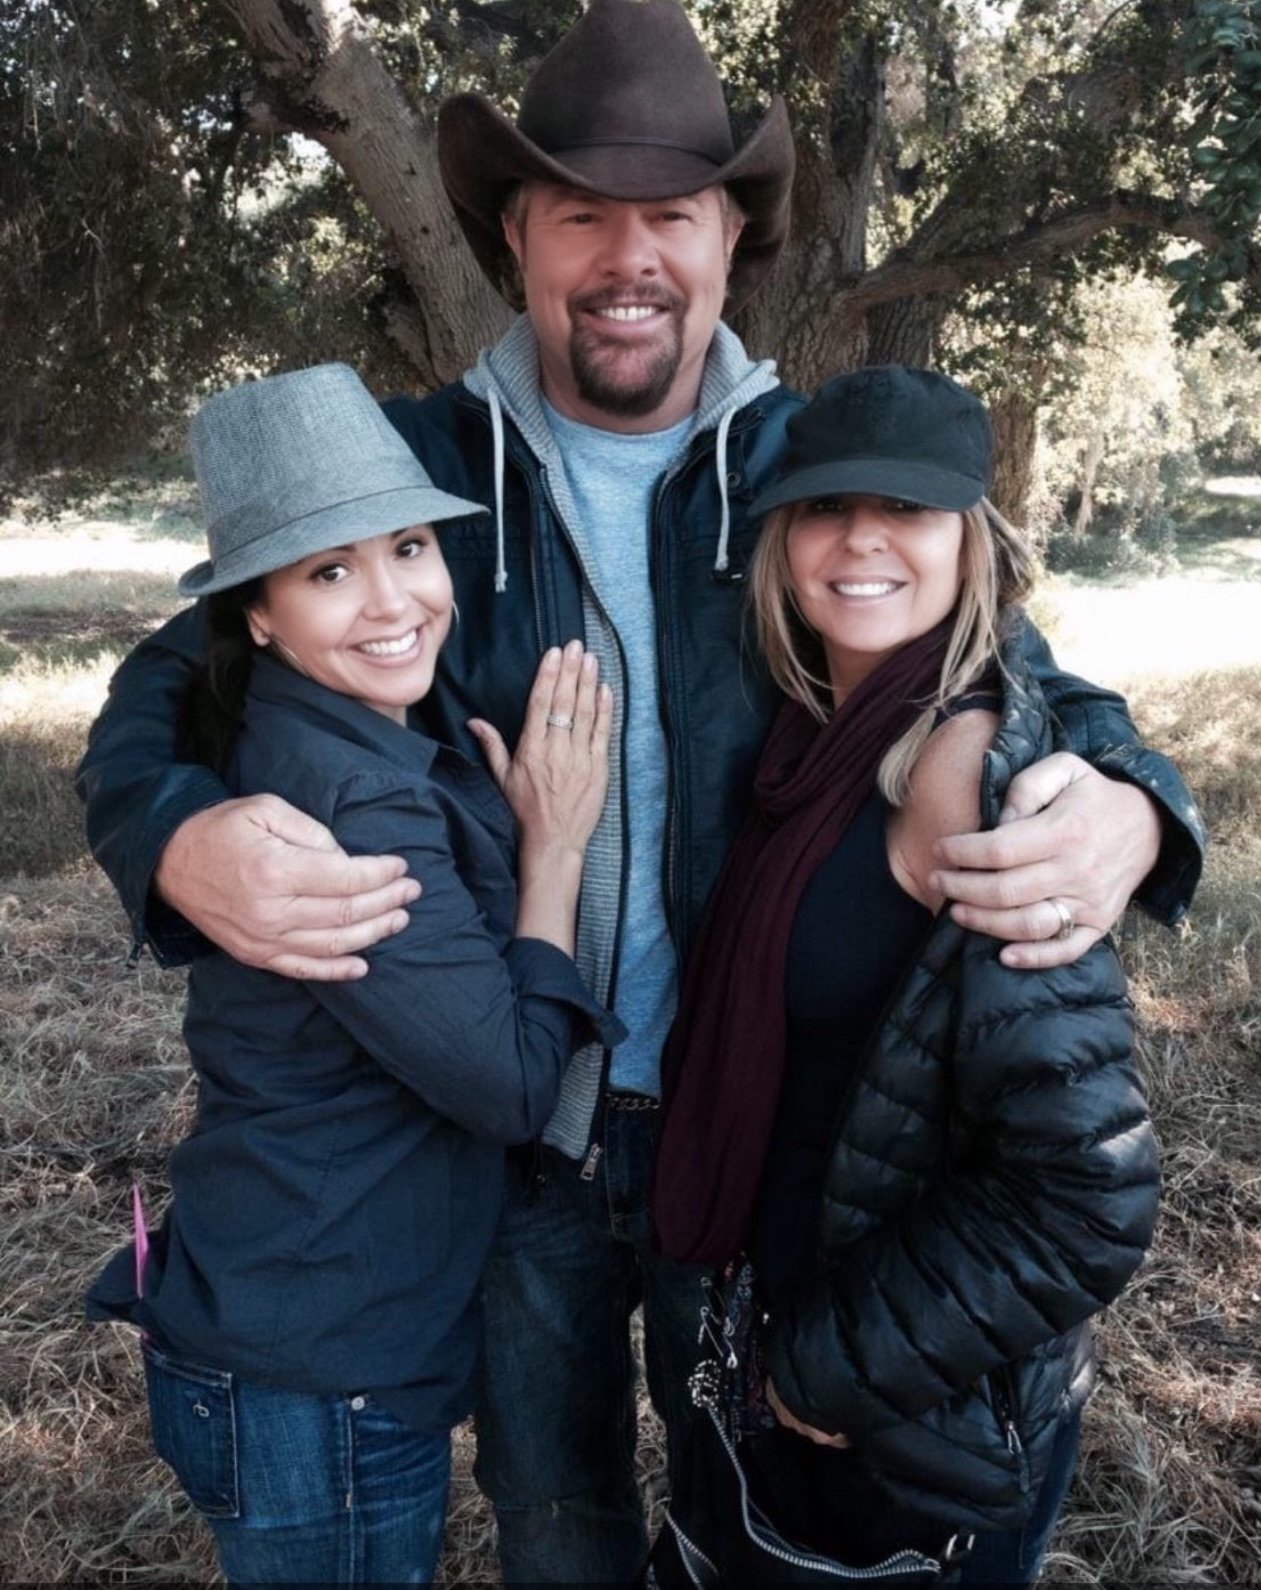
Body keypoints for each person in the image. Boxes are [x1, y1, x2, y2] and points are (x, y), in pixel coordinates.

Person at [77, 2, 1202, 1581]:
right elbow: (165, 678)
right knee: (560, 1519)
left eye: (668, 213)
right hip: (512, 1129)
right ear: (512, 239)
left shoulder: (811, 471)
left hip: (745, 1115)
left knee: (744, 1501)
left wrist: (1136, 802)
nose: (627, 256)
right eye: (579, 214)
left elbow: (1004, 658)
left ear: (728, 240)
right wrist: (174, 833)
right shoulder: (412, 481)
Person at [86, 363, 621, 1585]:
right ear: (256, 614)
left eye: (412, 548)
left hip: (300, 1326)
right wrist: (556, 852)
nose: (393, 601)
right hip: (319, 1373)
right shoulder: (351, 803)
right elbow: (511, 1087)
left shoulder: (346, 725)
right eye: (330, 571)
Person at [651, 366, 1162, 1586]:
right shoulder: (812, 731)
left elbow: (1090, 1190)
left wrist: (833, 1365)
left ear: (971, 543)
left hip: (907, 1404)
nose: (864, 539)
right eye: (828, 508)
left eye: (911, 510)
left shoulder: (968, 768)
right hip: (798, 1350)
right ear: (781, 544)